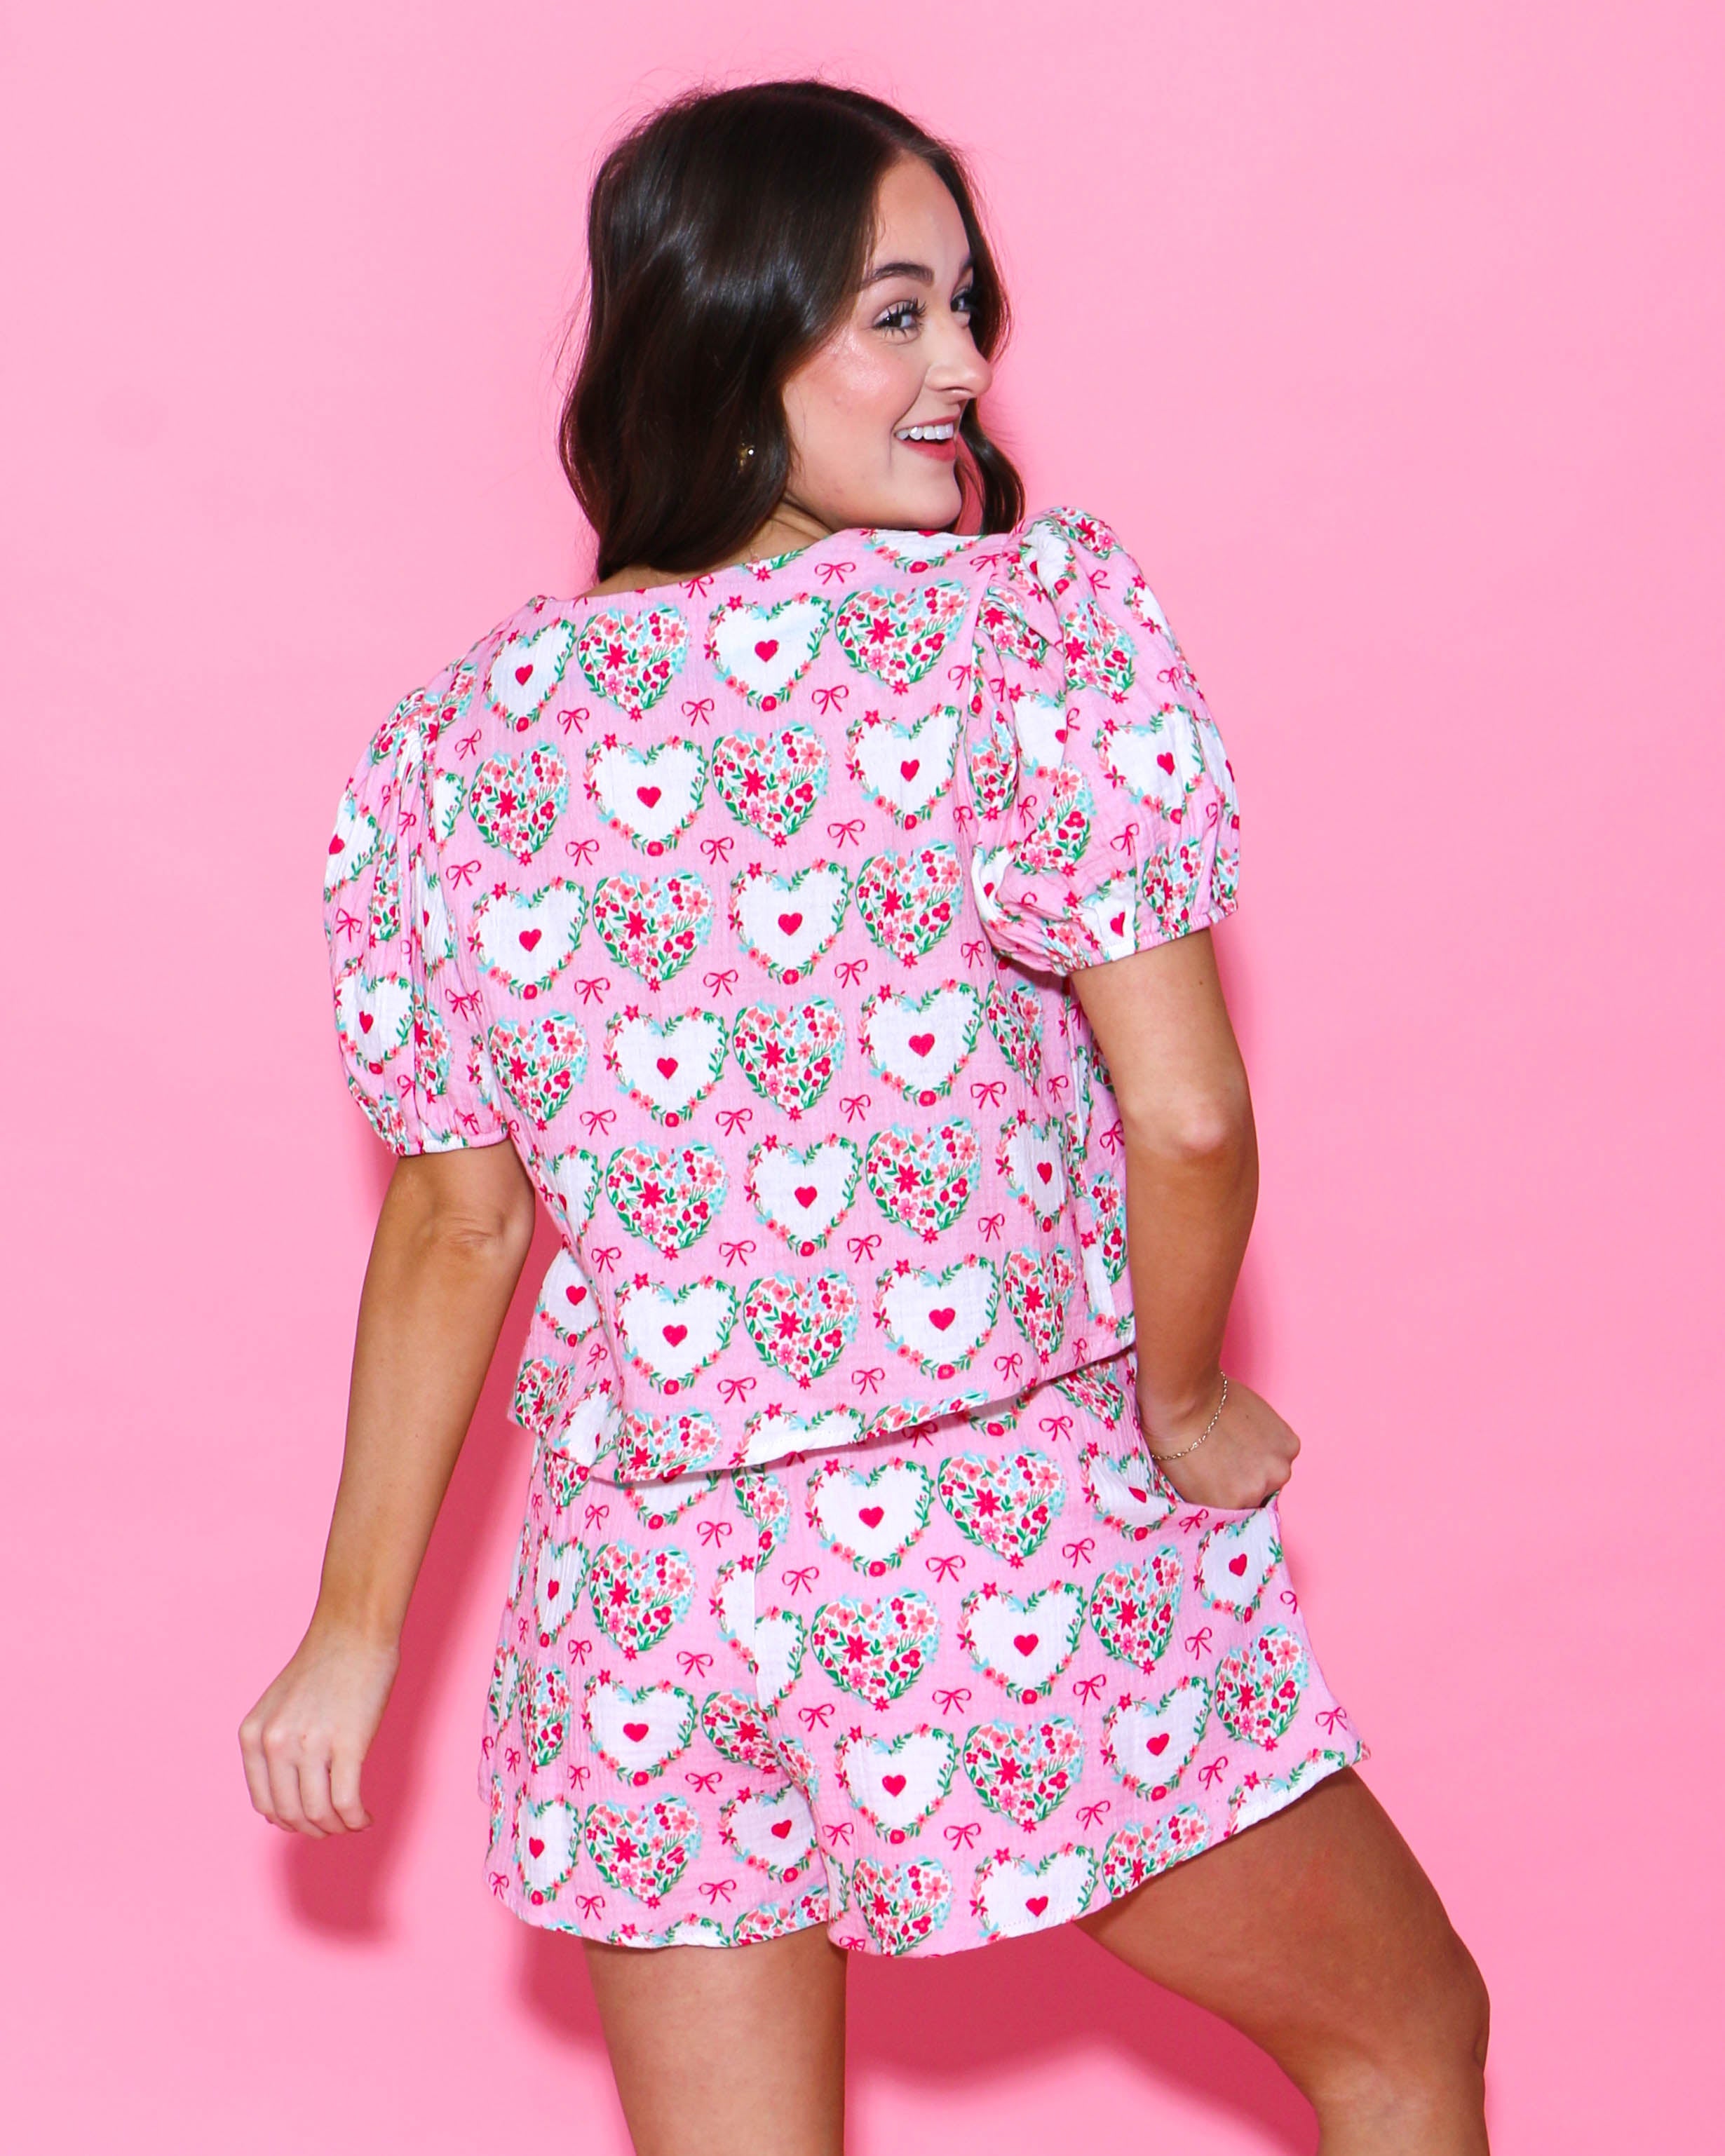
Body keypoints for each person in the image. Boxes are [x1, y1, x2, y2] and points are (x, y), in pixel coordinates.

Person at [241, 79, 1489, 2156]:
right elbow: (1187, 1115)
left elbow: (460, 1225)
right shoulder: (1019, 634)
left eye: (967, 308)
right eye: (894, 314)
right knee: (1401, 2033)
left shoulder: (450, 751)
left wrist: (352, 1638)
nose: (966, 367)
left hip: (640, 1607)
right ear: (728, 334)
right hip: (992, 1538)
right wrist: (1183, 1398)